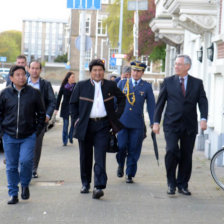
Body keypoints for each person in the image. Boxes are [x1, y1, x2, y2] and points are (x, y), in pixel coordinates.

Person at [70, 59, 126, 199]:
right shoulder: (81, 86)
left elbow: (122, 99)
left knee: (100, 156)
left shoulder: (110, 85)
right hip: (85, 126)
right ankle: (85, 183)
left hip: (103, 126)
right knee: (85, 156)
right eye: (94, 70)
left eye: (100, 70)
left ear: (104, 71)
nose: (97, 73)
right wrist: (76, 120)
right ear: (90, 72)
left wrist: (115, 116)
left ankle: (98, 186)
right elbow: (72, 104)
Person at [152, 55, 208, 196]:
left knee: (186, 155)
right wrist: (156, 122)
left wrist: (203, 118)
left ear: (187, 66)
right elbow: (160, 104)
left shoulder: (197, 83)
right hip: (171, 124)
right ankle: (171, 183)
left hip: (189, 125)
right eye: (175, 64)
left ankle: (182, 184)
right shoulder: (168, 82)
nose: (175, 66)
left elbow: (203, 102)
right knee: (171, 151)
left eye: (179, 64)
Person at [0, 65, 45, 204]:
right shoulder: (5, 94)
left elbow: (41, 114)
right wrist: (2, 133)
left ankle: (24, 184)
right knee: (11, 166)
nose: (21, 77)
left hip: (28, 136)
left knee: (26, 162)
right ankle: (13, 194)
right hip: (9, 136)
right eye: (17, 75)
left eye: (23, 74)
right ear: (11, 78)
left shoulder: (34, 93)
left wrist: (36, 131)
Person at [116, 61, 155, 183]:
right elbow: (114, 102)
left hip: (137, 123)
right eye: (134, 70)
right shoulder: (122, 83)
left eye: (138, 71)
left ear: (142, 73)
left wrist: (153, 122)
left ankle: (130, 174)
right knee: (121, 146)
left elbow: (151, 106)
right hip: (122, 122)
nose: (135, 73)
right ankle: (121, 163)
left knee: (134, 148)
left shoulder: (146, 87)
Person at [27, 60, 56, 178]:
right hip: (25, 121)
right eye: (32, 68)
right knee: (24, 145)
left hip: (40, 121)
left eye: (37, 68)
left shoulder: (45, 84)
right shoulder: (23, 82)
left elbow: (52, 101)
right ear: (28, 69)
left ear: (40, 70)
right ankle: (24, 167)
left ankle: (33, 169)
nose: (34, 70)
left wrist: (47, 116)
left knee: (36, 146)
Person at [55, 71, 76, 146]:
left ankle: (71, 136)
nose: (74, 78)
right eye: (72, 77)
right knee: (65, 125)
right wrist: (56, 109)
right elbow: (59, 98)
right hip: (65, 107)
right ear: (68, 78)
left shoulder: (76, 86)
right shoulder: (64, 86)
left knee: (73, 124)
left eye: (74, 77)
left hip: (74, 108)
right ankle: (65, 140)